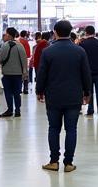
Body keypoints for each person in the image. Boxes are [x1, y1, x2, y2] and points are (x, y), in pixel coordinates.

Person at [35, 19, 90, 173]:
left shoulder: (48, 51)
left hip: (54, 96)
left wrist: (39, 91)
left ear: (55, 32)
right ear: (70, 31)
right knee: (71, 129)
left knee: (54, 128)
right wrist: (87, 92)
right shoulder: (79, 51)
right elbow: (86, 74)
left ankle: (53, 161)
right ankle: (68, 163)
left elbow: (42, 74)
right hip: (73, 96)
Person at [0, 26, 28, 118]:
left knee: (8, 92)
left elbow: (1, 59)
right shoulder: (20, 45)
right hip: (18, 74)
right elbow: (24, 60)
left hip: (7, 73)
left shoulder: (4, 45)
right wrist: (24, 72)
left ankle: (10, 110)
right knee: (17, 92)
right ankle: (17, 110)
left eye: (6, 34)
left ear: (9, 35)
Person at [80, 25, 98, 117]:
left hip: (87, 73)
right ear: (94, 32)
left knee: (89, 92)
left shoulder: (82, 45)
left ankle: (90, 109)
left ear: (86, 32)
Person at [18, 30, 32, 94]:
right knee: (25, 74)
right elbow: (28, 54)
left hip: (18, 60)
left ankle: (19, 88)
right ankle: (25, 89)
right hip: (25, 60)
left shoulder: (18, 41)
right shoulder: (25, 41)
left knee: (19, 74)